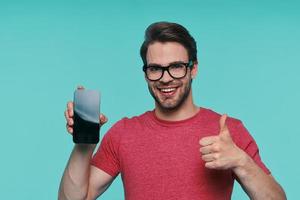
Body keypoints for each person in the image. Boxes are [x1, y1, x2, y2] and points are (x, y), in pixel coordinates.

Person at [59, 22, 286, 200]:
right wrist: (84, 145)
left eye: (176, 67)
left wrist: (241, 161)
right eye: (155, 69)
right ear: (145, 73)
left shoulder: (228, 131)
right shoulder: (124, 133)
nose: (166, 78)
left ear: (193, 69)